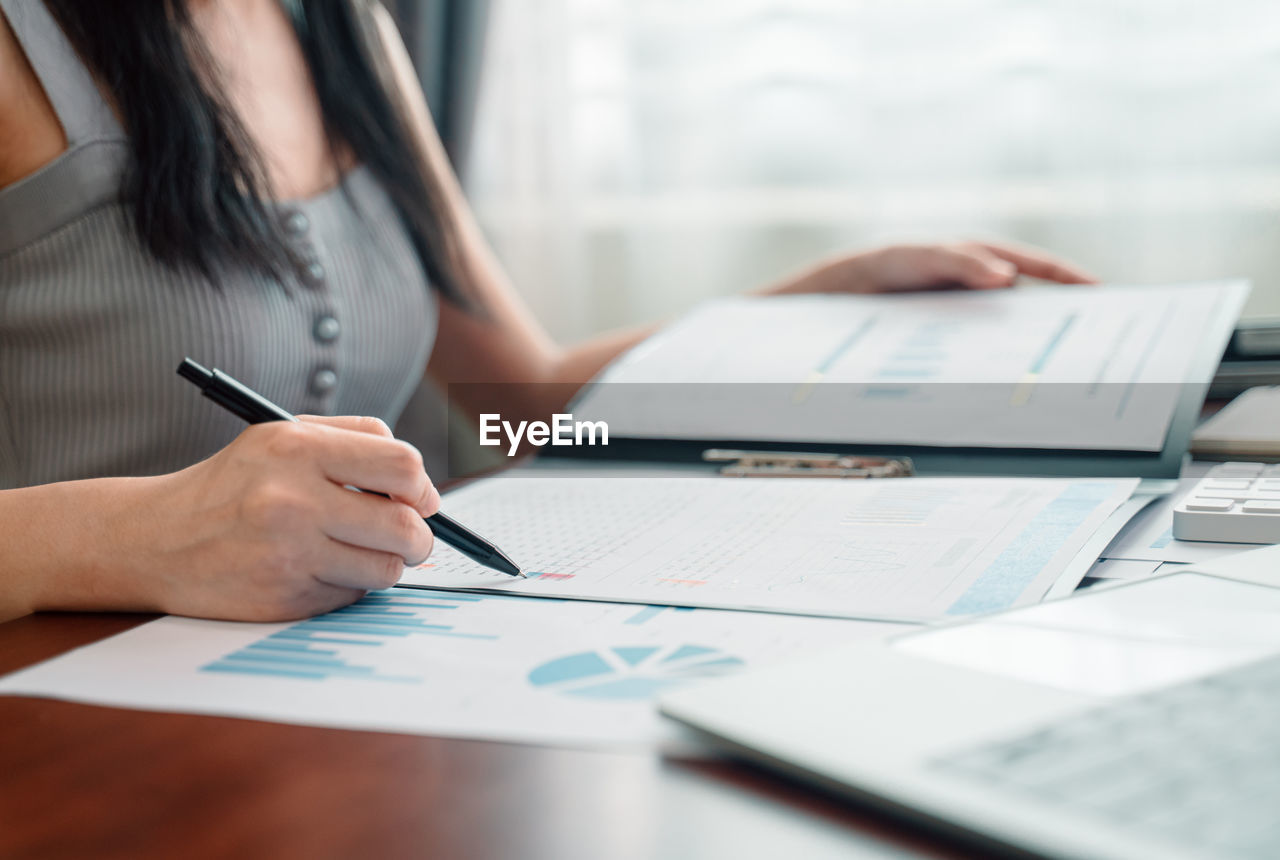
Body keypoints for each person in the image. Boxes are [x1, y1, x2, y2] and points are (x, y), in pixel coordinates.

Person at [0, 0, 1095, 624]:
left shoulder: (343, 29)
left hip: (304, 719)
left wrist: (807, 307)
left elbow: (523, 401)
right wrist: (130, 535)